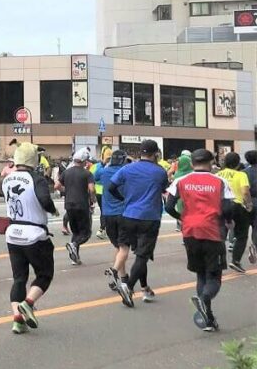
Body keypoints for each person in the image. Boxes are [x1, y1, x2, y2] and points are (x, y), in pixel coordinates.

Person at [164, 149, 234, 331]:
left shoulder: (181, 181)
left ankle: (208, 319)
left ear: (192, 162)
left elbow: (169, 206)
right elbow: (227, 208)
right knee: (215, 277)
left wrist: (182, 217)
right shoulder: (220, 181)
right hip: (212, 232)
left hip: (190, 232)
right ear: (211, 162)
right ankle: (204, 301)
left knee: (201, 274)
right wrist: (228, 221)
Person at [2, 143, 58, 334]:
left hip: (13, 234)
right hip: (34, 235)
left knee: (19, 278)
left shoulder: (7, 179)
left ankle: (17, 320)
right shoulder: (37, 179)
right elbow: (44, 200)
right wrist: (53, 209)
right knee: (44, 274)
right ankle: (28, 303)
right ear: (33, 160)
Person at [108, 139, 169, 303]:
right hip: (150, 217)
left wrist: (123, 198)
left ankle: (145, 288)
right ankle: (128, 287)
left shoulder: (127, 168)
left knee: (137, 254)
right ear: (156, 153)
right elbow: (164, 189)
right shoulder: (160, 171)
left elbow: (111, 187)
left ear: (139, 153)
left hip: (128, 216)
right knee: (142, 256)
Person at [94, 150, 133, 306]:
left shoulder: (103, 171)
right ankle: (114, 270)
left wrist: (104, 163)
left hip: (108, 215)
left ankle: (123, 278)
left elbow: (95, 176)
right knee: (124, 247)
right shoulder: (126, 172)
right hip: (123, 213)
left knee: (118, 246)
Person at [55, 148, 94, 266]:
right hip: (82, 205)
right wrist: (92, 199)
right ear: (83, 161)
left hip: (69, 205)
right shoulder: (87, 173)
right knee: (86, 233)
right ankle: (74, 245)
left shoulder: (67, 172)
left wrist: (67, 191)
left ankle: (74, 258)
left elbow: (57, 186)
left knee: (76, 232)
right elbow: (91, 189)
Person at [217, 152, 253, 273]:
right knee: (242, 235)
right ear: (238, 163)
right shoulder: (241, 174)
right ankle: (235, 261)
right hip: (236, 206)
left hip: (221, 205)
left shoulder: (218, 174)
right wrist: (249, 205)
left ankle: (219, 260)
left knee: (221, 234)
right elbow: (245, 192)